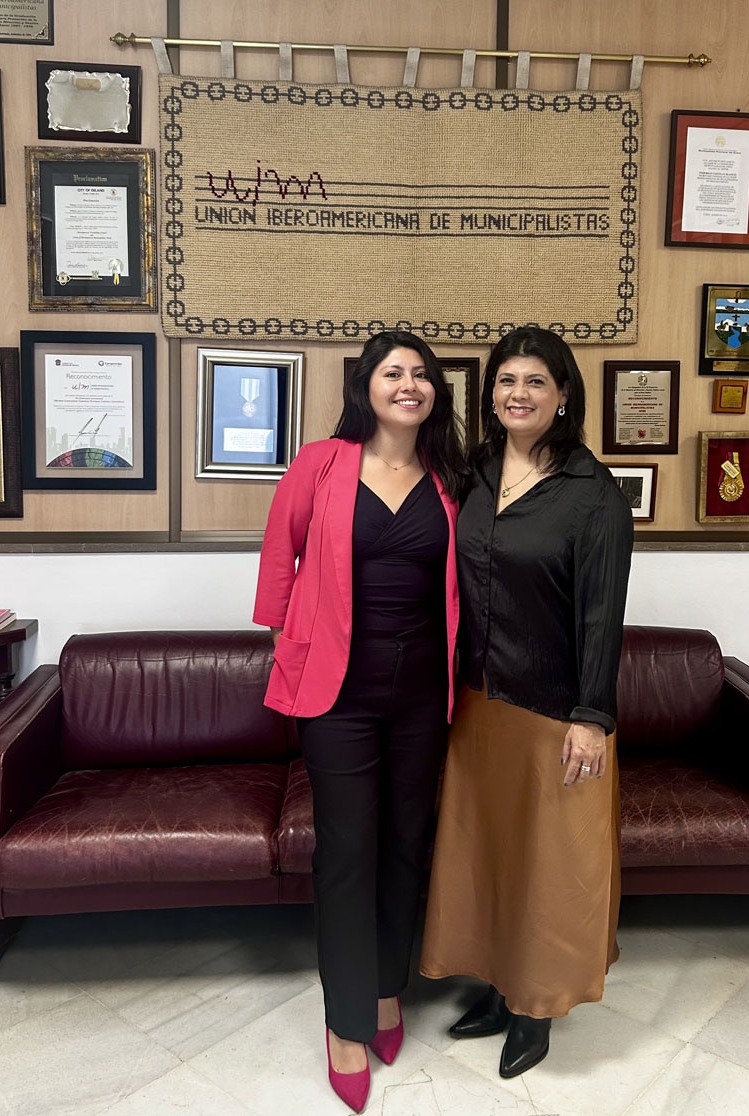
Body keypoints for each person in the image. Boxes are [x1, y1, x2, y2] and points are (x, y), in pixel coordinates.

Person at [253, 330, 466, 1113]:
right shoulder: (321, 463)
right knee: (347, 851)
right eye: (392, 372)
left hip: (423, 694)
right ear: (366, 388)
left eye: (421, 374)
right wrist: (288, 641)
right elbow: (279, 557)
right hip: (336, 694)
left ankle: (384, 989)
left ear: (435, 391)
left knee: (406, 845)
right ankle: (345, 1022)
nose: (408, 384)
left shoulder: (450, 476)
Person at [420, 326, 633, 1079]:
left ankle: (535, 1008)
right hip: (478, 704)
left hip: (555, 711)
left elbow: (603, 616)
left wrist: (592, 717)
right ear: (491, 396)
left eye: (536, 381)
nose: (519, 394)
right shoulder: (472, 474)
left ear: (563, 394)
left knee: (550, 867)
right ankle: (494, 984)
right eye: (506, 380)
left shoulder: (592, 493)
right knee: (488, 855)